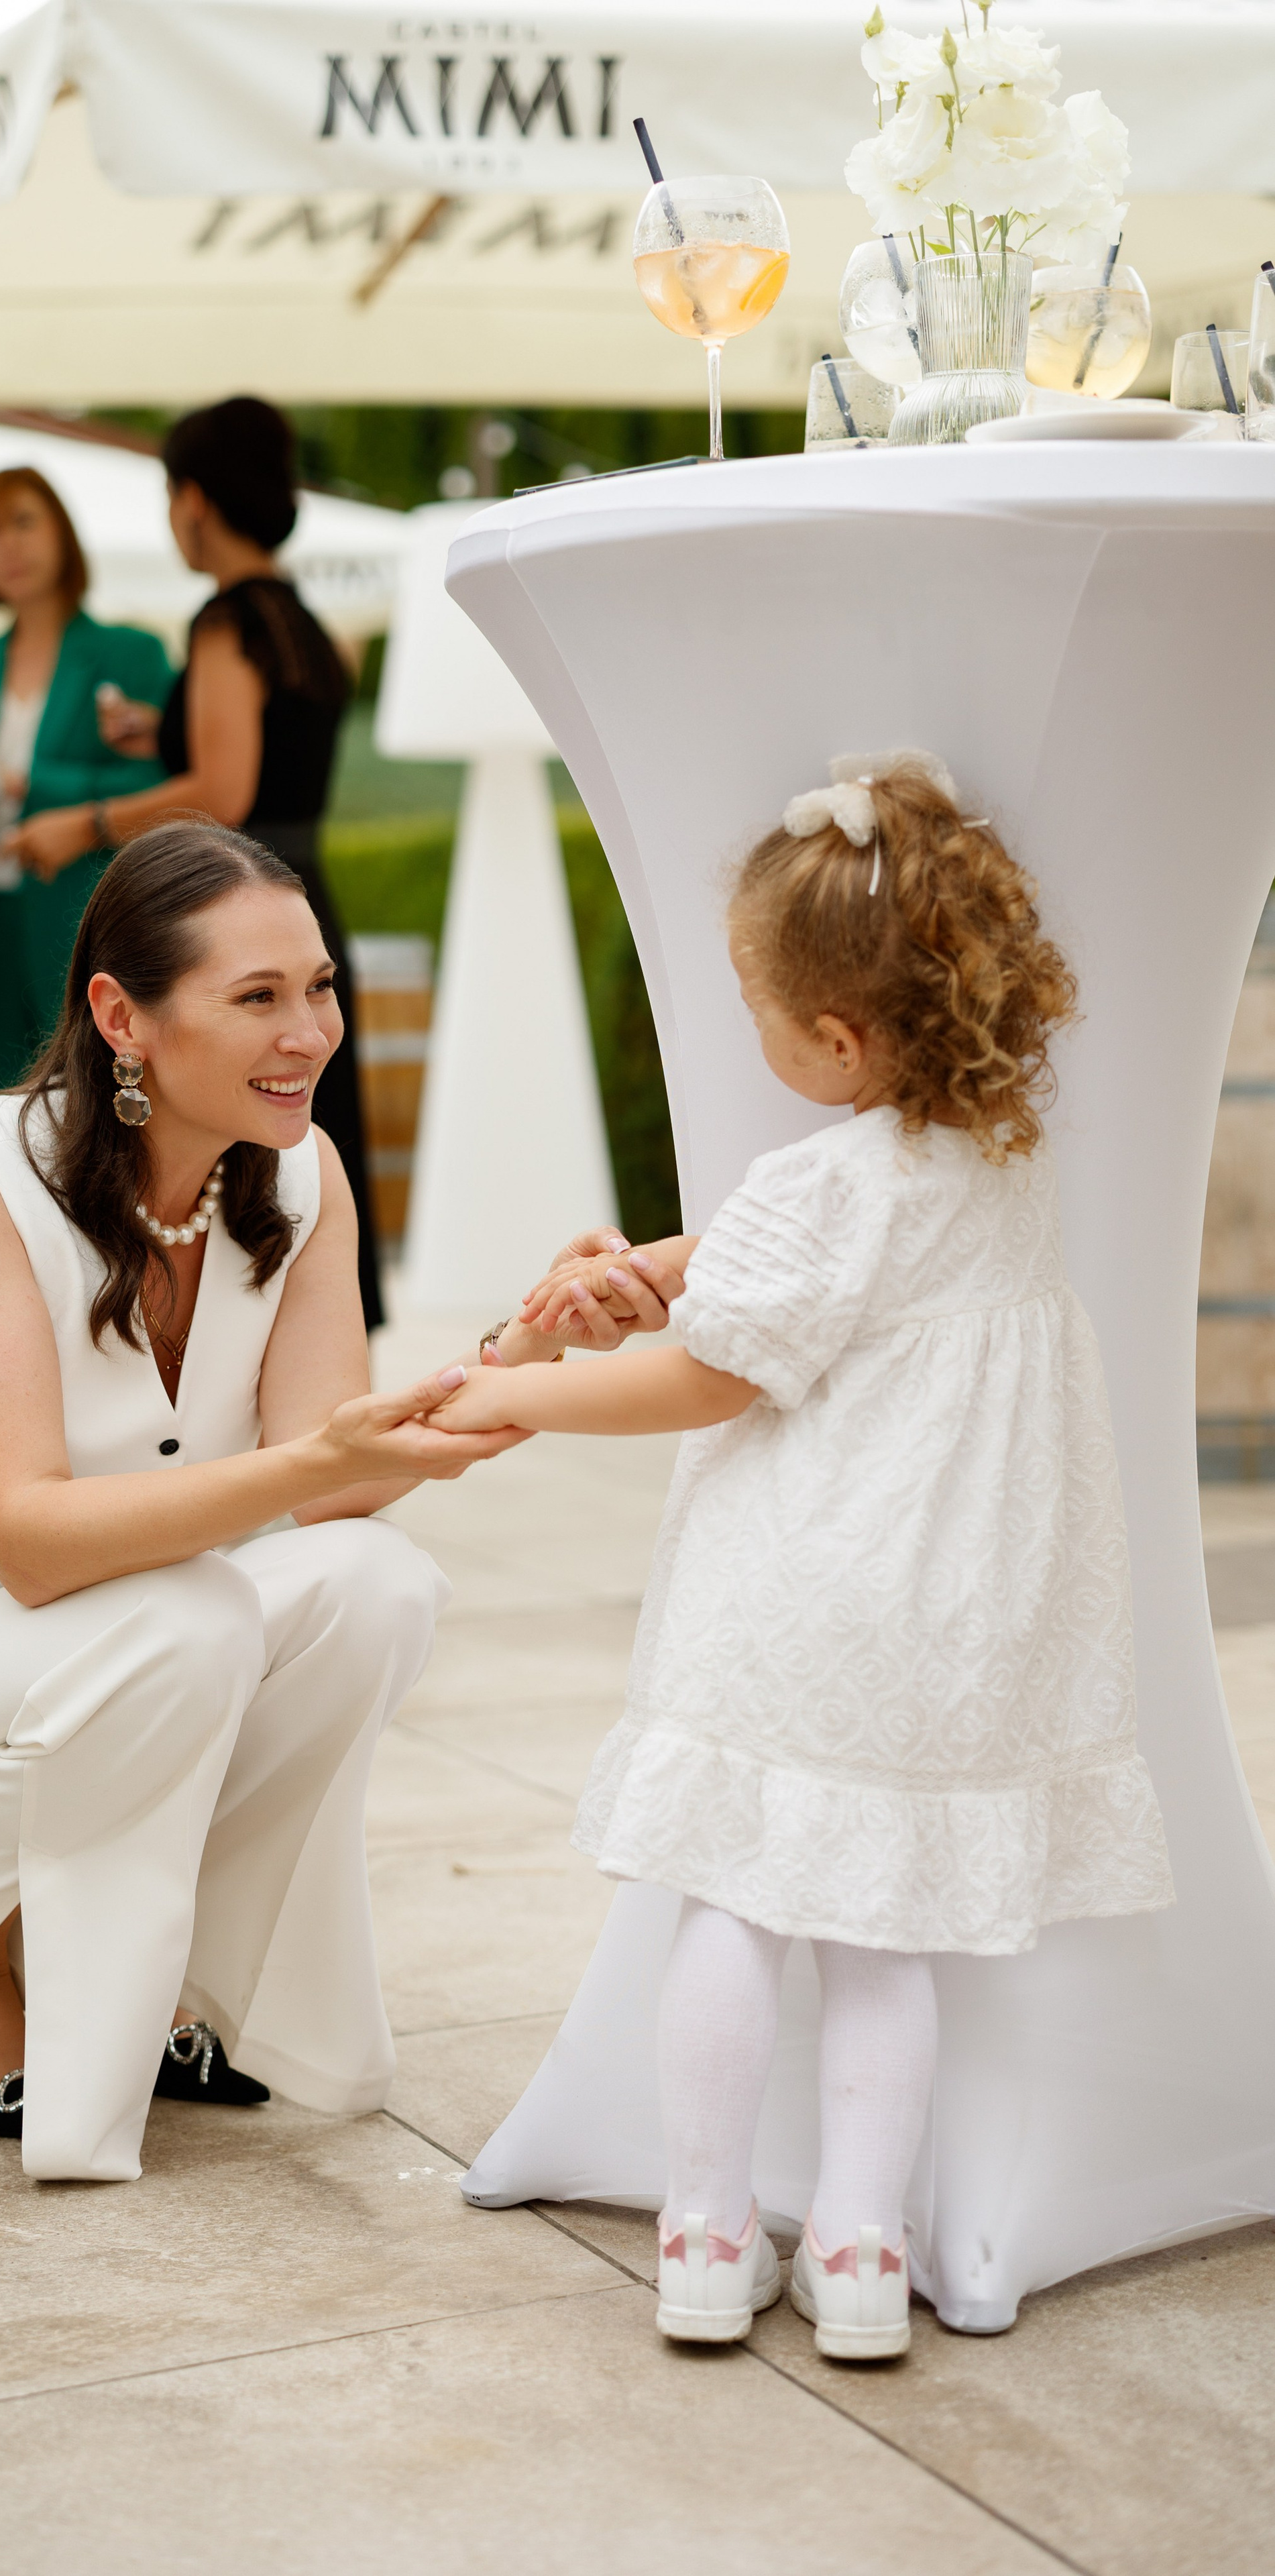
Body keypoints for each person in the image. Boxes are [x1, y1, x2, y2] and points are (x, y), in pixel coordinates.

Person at [0, 818, 612, 2182]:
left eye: (316, 987)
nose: (307, 1031)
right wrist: (312, 1465)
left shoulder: (297, 1177)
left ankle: (130, 1970)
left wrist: (520, 1352)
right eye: (255, 998)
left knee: (372, 1590)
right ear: (119, 1016)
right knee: (187, 1619)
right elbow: (26, 1543)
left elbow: (334, 1481)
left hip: (89, 1659)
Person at [422, 754, 1174, 2361]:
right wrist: (658, 1263)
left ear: (832, 1040)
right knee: (877, 1941)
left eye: (758, 1005)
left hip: (800, 1603)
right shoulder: (999, 1162)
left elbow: (711, 1369)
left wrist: (515, 1391)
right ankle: (855, 2244)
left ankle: (703, 2232)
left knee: (732, 1917)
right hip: (946, 1618)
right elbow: (830, 1262)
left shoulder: (809, 1181)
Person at [3, 398, 384, 1331]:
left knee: (246, 1137)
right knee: (316, 1137)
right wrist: (152, 729)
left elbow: (223, 788)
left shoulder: (226, 622)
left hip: (238, 917)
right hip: (305, 905)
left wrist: (83, 822)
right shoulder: (299, 622)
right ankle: (323, 1333)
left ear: (195, 502)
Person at [0, 466, 172, 1100]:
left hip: (82, 914)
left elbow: (160, 782)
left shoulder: (132, 653)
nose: (8, 545)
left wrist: (29, 783)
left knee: (89, 1112)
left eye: (23, 521)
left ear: (61, 533)